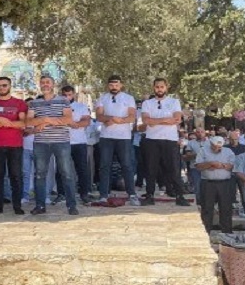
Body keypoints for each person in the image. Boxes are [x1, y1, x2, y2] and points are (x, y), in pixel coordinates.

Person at [27, 76, 78, 215]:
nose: (45, 85)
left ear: (53, 85)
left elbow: (68, 119)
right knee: (39, 174)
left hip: (61, 142)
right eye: (42, 83)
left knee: (67, 173)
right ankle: (40, 206)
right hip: (41, 142)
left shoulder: (63, 100)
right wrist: (45, 120)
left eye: (48, 82)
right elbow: (29, 121)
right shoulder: (34, 103)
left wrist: (45, 121)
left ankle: (71, 205)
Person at [140, 78, 190, 206]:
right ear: (154, 88)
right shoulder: (147, 103)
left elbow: (177, 119)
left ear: (166, 87)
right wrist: (166, 120)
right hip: (152, 139)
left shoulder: (174, 102)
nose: (159, 89)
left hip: (170, 139)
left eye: (162, 87)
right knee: (151, 169)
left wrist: (155, 121)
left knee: (174, 169)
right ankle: (150, 195)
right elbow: (146, 121)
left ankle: (179, 196)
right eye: (157, 87)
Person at [0, 77, 27, 215]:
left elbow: (23, 123)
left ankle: (17, 206)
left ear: (10, 86)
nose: (1, 88)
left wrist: (2, 123)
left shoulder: (19, 103)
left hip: (15, 145)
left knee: (16, 176)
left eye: (4, 85)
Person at [95, 75, 140, 206]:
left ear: (121, 85)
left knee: (127, 165)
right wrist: (111, 118)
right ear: (108, 85)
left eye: (116, 85)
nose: (114, 87)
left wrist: (119, 120)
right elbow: (99, 116)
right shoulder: (102, 98)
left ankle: (132, 194)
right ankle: (104, 194)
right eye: (111, 85)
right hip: (106, 137)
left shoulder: (129, 98)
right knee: (104, 165)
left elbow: (132, 117)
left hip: (123, 137)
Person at [195, 136, 235, 233]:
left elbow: (232, 166)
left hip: (224, 183)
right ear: (211, 144)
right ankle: (205, 232)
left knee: (226, 208)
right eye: (215, 146)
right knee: (207, 208)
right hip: (208, 184)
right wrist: (210, 163)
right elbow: (198, 166)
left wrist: (220, 165)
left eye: (219, 147)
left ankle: (227, 233)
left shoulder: (228, 151)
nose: (218, 148)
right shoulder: (203, 151)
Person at [61, 85, 93, 205]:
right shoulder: (58, 106)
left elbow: (87, 121)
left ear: (74, 94)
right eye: (64, 95)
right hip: (63, 141)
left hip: (79, 142)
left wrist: (76, 124)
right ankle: (62, 193)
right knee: (62, 169)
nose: (67, 97)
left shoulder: (81, 106)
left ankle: (84, 193)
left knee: (82, 169)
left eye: (69, 95)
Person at [183, 128, 208, 204]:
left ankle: (208, 202)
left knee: (207, 186)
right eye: (198, 132)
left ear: (205, 133)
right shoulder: (191, 143)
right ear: (195, 134)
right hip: (195, 167)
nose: (200, 133)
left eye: (202, 132)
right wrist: (197, 154)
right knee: (197, 186)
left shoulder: (210, 142)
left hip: (208, 168)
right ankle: (199, 203)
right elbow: (187, 154)